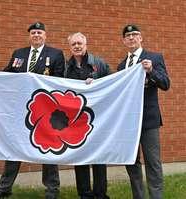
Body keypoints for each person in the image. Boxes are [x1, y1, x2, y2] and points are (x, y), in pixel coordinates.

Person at [0, 21, 65, 199]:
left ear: (45, 35)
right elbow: (6, 75)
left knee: (47, 150)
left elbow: (60, 81)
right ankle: (4, 189)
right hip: (19, 112)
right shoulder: (19, 54)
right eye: (33, 33)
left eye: (39, 32)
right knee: (14, 149)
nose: (36, 35)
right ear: (29, 36)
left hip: (45, 113)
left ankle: (52, 190)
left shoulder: (55, 54)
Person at [117, 24, 170, 199]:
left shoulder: (154, 58)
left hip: (148, 120)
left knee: (152, 162)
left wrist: (151, 70)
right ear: (124, 41)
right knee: (132, 162)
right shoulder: (121, 65)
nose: (131, 38)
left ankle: (156, 196)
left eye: (135, 34)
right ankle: (138, 196)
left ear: (140, 38)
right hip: (129, 122)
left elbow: (165, 84)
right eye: (128, 36)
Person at [65, 32, 110, 199]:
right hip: (76, 120)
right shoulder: (65, 67)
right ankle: (84, 194)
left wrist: (98, 83)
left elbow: (112, 85)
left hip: (98, 118)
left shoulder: (99, 63)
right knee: (80, 156)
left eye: (79, 43)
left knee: (99, 156)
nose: (77, 46)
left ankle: (100, 193)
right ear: (70, 47)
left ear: (86, 44)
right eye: (73, 44)